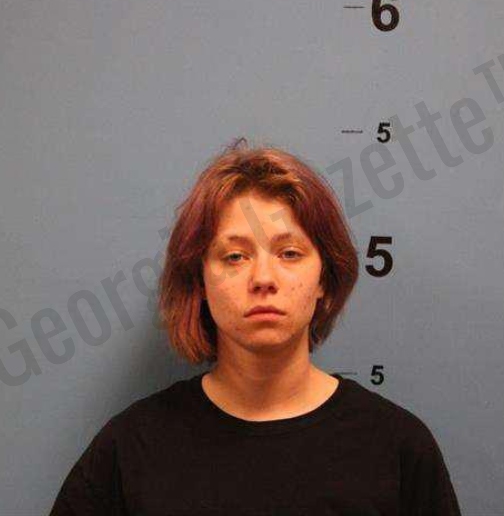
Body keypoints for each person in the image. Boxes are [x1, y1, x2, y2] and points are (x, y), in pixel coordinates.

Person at [48, 137, 462, 515]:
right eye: (235, 257)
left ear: (324, 278)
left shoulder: (397, 448)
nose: (263, 278)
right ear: (200, 282)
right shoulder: (131, 449)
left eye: (289, 253)